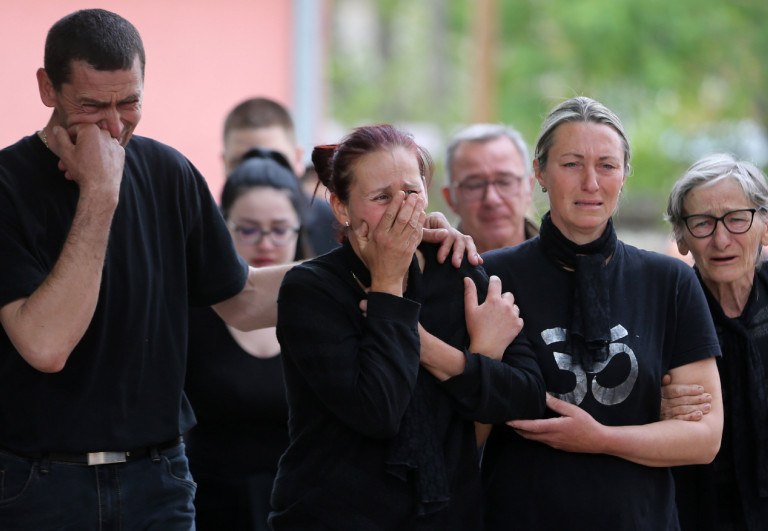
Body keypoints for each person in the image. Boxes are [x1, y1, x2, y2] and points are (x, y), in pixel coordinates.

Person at [0, 10, 476, 529]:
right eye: (92, 106)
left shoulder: (168, 172)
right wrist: (99, 194)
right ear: (48, 88)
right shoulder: (9, 185)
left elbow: (246, 300)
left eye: (130, 102)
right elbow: (45, 344)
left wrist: (386, 253)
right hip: (39, 483)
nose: (115, 126)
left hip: (157, 478)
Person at [269, 124, 546, 529]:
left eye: (412, 193)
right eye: (382, 197)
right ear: (342, 208)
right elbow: (377, 411)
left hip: (446, 515)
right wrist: (386, 285)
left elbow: (526, 397)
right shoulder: (311, 290)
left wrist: (450, 354)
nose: (402, 209)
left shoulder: (455, 267)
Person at [480, 96, 724, 530]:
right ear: (539, 172)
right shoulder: (494, 277)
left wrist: (601, 439)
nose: (591, 182)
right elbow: (462, 434)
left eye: (607, 165)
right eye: (572, 164)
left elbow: (704, 439)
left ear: (625, 175)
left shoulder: (669, 281)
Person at [185, 149, 312, 530]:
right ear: (223, 227)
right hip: (210, 508)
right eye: (249, 229)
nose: (266, 243)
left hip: (302, 507)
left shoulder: (323, 312)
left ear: (298, 230)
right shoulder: (193, 309)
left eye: (279, 229)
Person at [662, 153, 768, 530]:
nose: (721, 239)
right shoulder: (664, 309)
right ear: (682, 238)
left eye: (737, 219)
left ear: (765, 227)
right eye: (703, 223)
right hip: (694, 508)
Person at [222, 96, 339, 254]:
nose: (259, 171)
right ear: (224, 163)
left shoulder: (336, 226)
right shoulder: (203, 228)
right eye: (242, 162)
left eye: (276, 160)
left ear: (298, 159)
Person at [442, 123, 538, 253]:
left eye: (505, 182)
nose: (492, 199)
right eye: (474, 185)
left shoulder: (566, 265)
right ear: (450, 198)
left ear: (529, 188)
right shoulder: (423, 268)